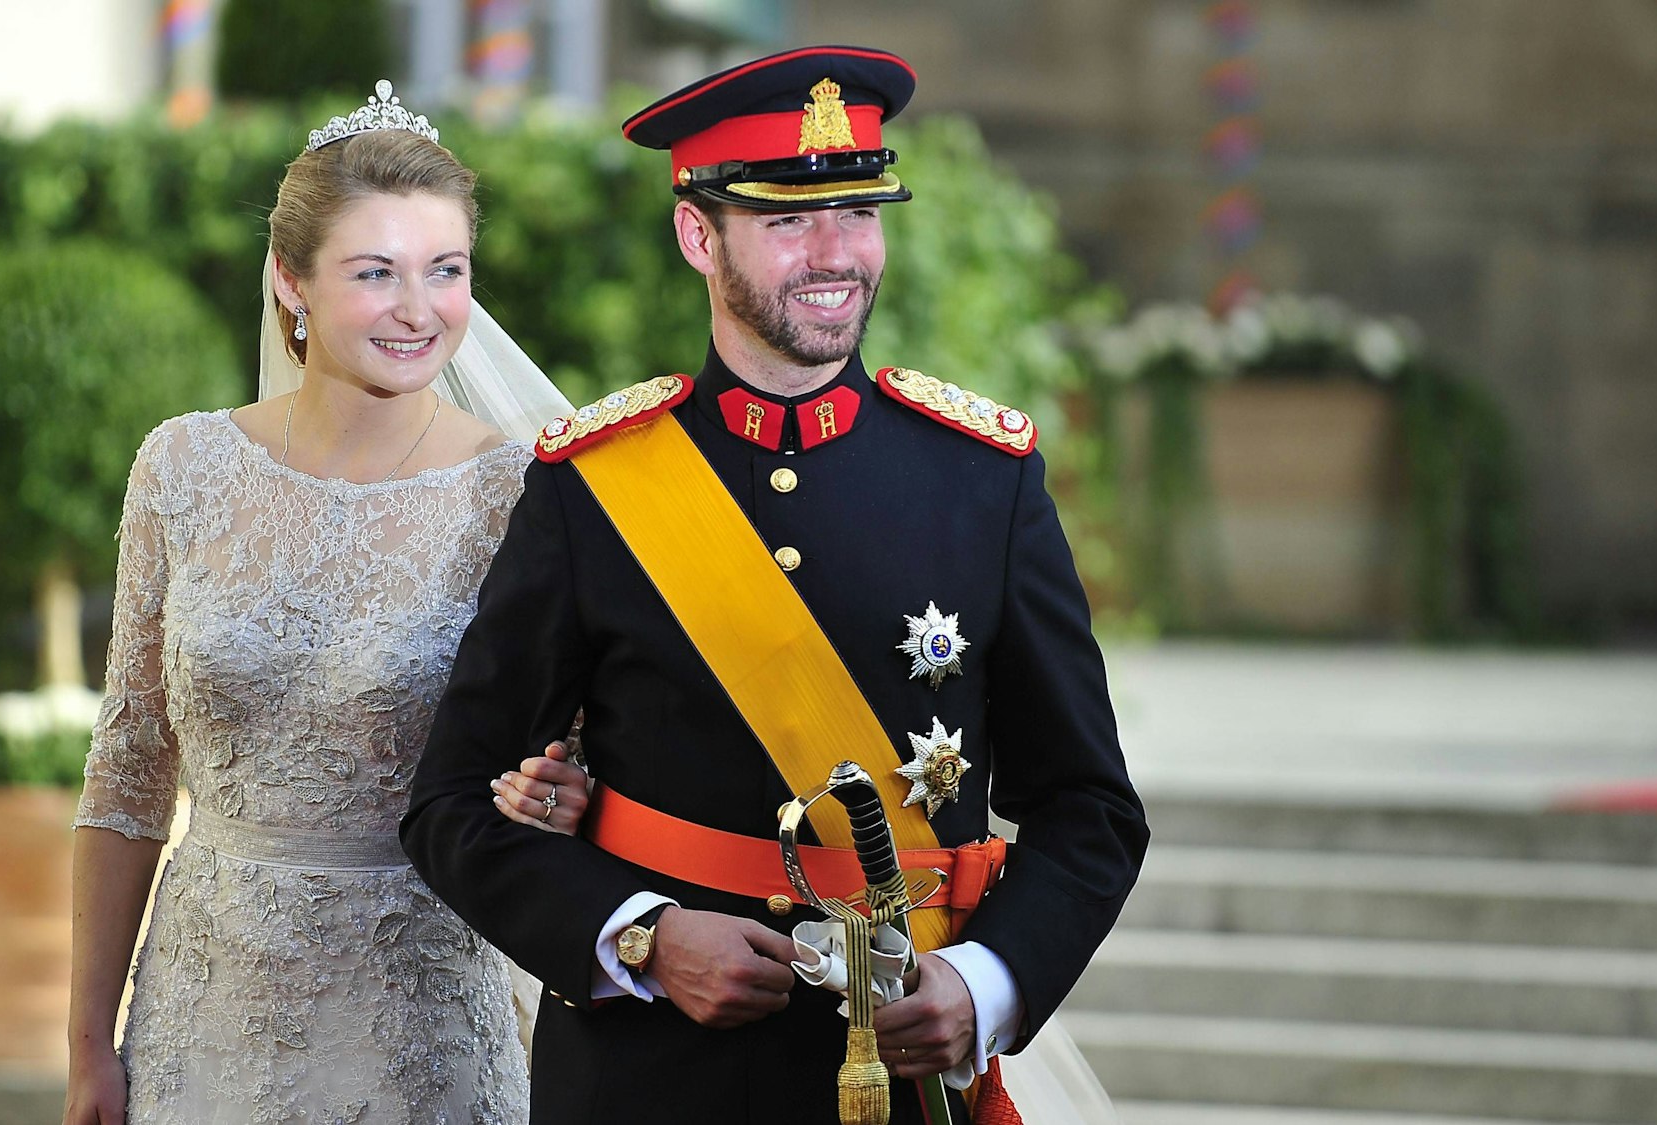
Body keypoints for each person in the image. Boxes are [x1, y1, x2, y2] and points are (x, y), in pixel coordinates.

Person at [402, 46, 1148, 1124]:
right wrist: (642, 937)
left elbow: (1088, 809)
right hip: (648, 1076)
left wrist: (983, 984)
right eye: (788, 221)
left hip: (907, 1078)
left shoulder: (983, 479)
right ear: (698, 235)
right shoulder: (593, 487)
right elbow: (449, 803)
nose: (834, 253)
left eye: (857, 212)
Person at [63, 82, 590, 1125]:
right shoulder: (183, 465)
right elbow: (127, 775)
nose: (418, 309)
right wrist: (88, 1048)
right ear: (290, 281)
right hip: (197, 1017)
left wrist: (563, 795)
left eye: (445, 272)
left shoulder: (526, 490)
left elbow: (582, 758)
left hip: (418, 1022)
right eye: (374, 273)